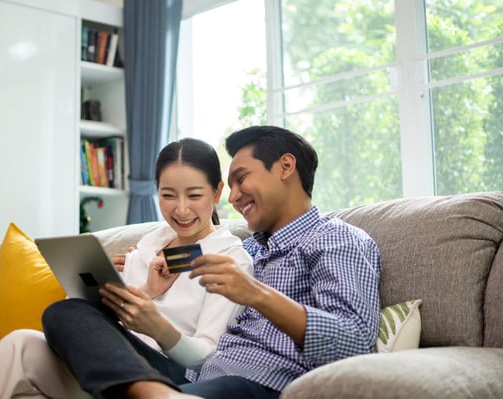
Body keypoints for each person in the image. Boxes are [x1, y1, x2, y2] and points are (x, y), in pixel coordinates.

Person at [42, 125, 382, 399]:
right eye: (230, 186)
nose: (233, 198)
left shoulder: (339, 239)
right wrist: (138, 279)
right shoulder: (252, 249)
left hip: (258, 383)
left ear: (285, 167)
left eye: (241, 179)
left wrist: (257, 294)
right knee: (66, 312)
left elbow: (352, 343)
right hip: (193, 376)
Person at [0, 138, 253, 399]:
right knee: (23, 340)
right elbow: (82, 322)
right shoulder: (149, 244)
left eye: (194, 195)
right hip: (106, 363)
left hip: (170, 375)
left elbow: (205, 358)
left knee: (64, 314)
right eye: (168, 195)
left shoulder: (229, 258)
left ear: (216, 193)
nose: (181, 209)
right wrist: (141, 292)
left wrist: (158, 327)